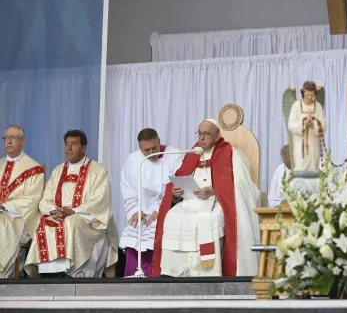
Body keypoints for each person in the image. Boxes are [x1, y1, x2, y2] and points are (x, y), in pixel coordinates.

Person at [152, 119, 260, 277]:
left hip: (216, 203)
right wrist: (176, 192)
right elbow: (180, 176)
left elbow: (240, 185)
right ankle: (173, 270)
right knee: (172, 216)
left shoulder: (231, 154)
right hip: (190, 202)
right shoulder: (193, 153)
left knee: (209, 219)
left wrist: (214, 191)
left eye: (206, 134)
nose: (201, 138)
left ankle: (206, 271)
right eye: (199, 133)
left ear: (217, 136)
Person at [25, 130, 118, 278]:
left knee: (70, 223)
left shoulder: (98, 171)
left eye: (74, 144)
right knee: (44, 223)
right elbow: (46, 198)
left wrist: (73, 212)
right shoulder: (58, 170)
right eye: (67, 144)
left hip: (88, 219)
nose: (69, 148)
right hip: (60, 213)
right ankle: (49, 273)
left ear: (84, 147)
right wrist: (54, 210)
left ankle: (71, 272)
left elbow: (100, 201)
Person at [119, 128, 181, 277]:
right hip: (140, 210)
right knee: (133, 231)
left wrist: (161, 208)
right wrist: (134, 209)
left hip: (165, 210)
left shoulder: (175, 156)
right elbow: (127, 187)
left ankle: (155, 277)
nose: (151, 153)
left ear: (159, 141)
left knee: (156, 234)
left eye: (154, 147)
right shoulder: (133, 160)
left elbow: (175, 186)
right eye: (146, 150)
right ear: (140, 148)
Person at [0, 125, 44, 278]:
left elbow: (33, 198)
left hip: (19, 217)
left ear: (23, 141)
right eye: (6, 138)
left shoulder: (34, 168)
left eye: (13, 138)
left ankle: (4, 277)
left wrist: (5, 206)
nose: (8, 142)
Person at [288, 81, 326, 171]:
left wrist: (314, 124)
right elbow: (291, 124)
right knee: (300, 165)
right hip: (300, 142)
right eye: (307, 95)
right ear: (303, 93)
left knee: (313, 167)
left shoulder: (318, 107)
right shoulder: (296, 106)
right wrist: (304, 123)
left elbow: (323, 125)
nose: (309, 97)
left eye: (312, 95)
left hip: (314, 142)